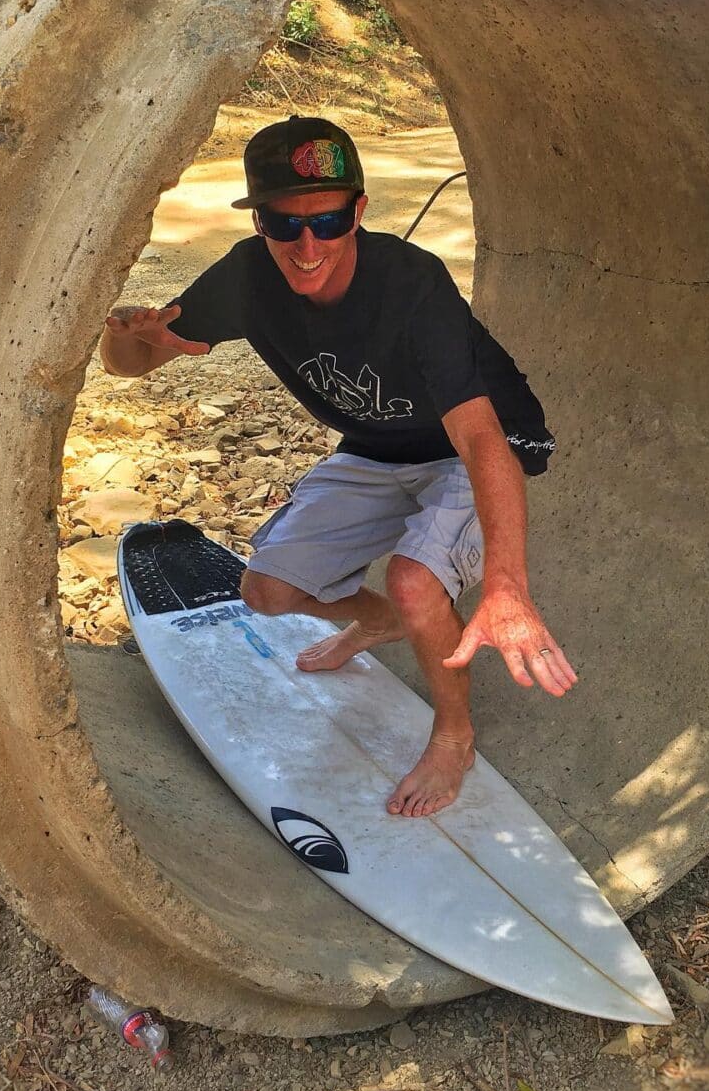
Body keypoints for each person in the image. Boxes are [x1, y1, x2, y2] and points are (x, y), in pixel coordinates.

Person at [100, 116, 576, 817]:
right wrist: (122, 333)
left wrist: (508, 586)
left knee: (416, 582)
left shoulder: (410, 284)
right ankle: (380, 622)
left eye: (326, 221)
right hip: (378, 446)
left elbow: (479, 439)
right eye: (282, 223)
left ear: (357, 211)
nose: (306, 246)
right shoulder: (246, 276)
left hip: (477, 442)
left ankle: (455, 735)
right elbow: (132, 365)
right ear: (258, 221)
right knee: (267, 591)